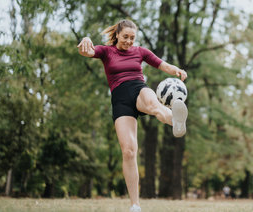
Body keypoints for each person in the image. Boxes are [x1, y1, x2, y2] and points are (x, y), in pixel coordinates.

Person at [77, 19, 188, 212]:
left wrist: (177, 70)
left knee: (154, 105)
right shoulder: (106, 51)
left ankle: (175, 120)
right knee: (128, 152)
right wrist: (86, 40)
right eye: (126, 37)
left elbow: (163, 65)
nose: (129, 41)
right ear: (117, 35)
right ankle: (135, 205)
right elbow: (87, 51)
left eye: (132, 38)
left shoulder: (140, 52)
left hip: (138, 89)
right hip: (120, 101)